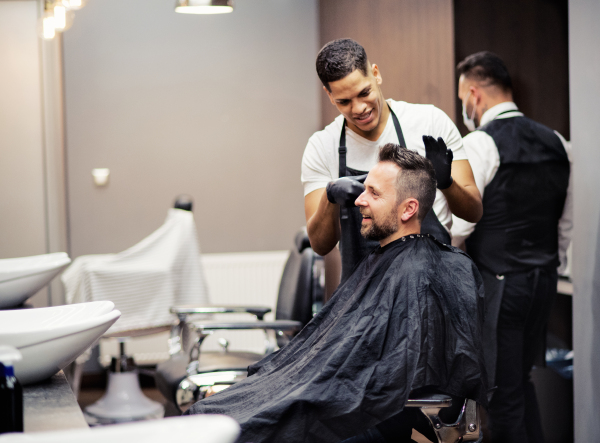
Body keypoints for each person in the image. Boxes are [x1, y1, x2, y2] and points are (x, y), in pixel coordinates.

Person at [186, 145, 488, 443]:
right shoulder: (383, 261)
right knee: (210, 415)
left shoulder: (423, 271)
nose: (359, 201)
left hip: (359, 416)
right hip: (334, 395)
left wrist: (312, 389)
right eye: (363, 190)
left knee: (242, 427)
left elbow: (402, 370)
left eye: (374, 193)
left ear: (408, 208)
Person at [452, 51, 572, 443]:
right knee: (520, 383)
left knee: (502, 396)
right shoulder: (558, 141)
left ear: (474, 94)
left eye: (462, 99)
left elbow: (462, 224)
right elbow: (566, 223)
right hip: (543, 281)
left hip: (501, 284)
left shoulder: (480, 143)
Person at [302, 38, 483, 285]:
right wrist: (329, 197)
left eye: (364, 93)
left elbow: (474, 212)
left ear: (376, 74)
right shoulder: (322, 146)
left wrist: (447, 182)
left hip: (432, 286)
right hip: (361, 299)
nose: (359, 108)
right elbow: (320, 245)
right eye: (344, 101)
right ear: (329, 96)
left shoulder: (430, 122)